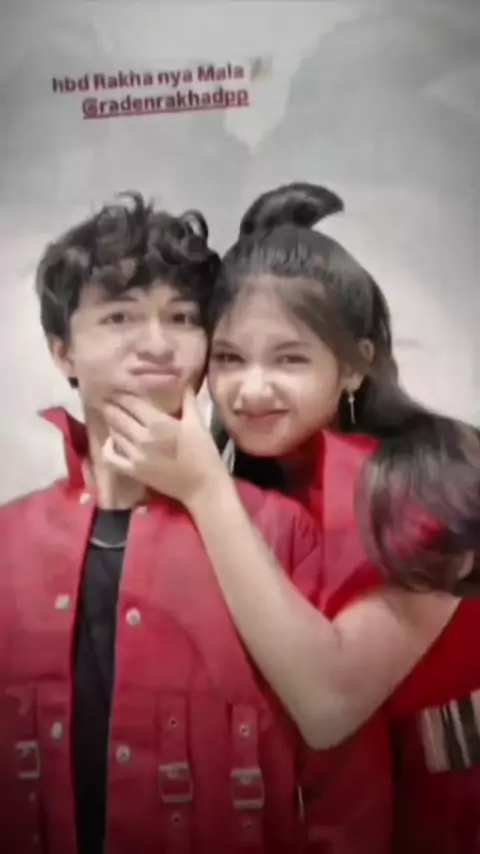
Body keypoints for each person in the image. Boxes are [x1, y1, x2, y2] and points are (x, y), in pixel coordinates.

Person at [102, 184, 480, 853]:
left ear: (356, 365)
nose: (251, 389)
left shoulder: (437, 478)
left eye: (290, 358)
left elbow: (329, 703)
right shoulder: (259, 491)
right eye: (229, 358)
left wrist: (204, 488)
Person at [0, 191, 344, 854]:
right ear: (62, 351)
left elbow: (344, 794)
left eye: (183, 317)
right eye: (120, 316)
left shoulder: (285, 533)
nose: (157, 344)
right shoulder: (8, 543)